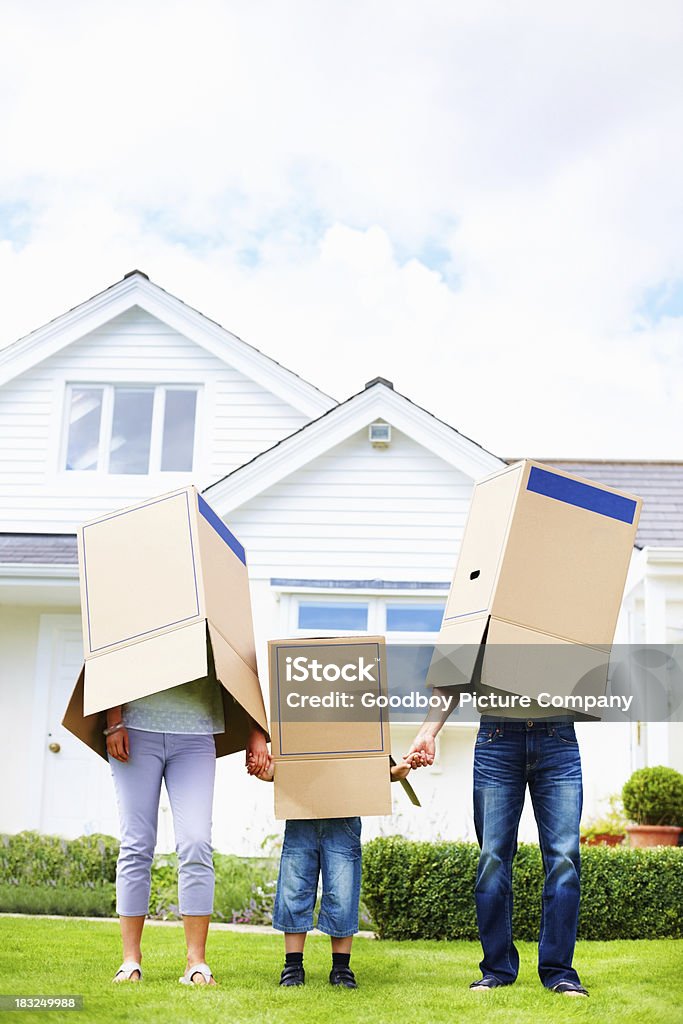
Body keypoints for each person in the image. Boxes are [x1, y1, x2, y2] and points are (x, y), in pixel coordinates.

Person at [407, 693, 588, 997]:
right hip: (498, 738)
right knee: (493, 857)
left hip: (558, 737)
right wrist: (428, 731)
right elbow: (455, 670)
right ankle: (496, 969)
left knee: (564, 859)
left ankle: (560, 973)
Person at [105, 677, 268, 985]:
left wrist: (257, 731)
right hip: (136, 726)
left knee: (196, 842)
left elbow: (239, 664)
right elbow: (115, 652)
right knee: (136, 844)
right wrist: (114, 721)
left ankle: (196, 962)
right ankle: (130, 961)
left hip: (196, 732)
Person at [253, 753, 413, 988]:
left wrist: (390, 774)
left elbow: (365, 761)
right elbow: (289, 760)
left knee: (342, 892)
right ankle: (293, 966)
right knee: (294, 888)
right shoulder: (297, 721)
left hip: (344, 816)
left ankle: (341, 967)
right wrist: (270, 773)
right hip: (301, 812)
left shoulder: (356, 719)